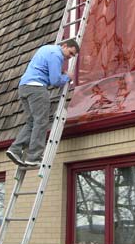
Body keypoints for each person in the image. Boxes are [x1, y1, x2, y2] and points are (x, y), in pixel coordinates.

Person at [6, 38, 80, 168]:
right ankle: (33, 157)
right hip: (37, 88)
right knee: (41, 122)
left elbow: (45, 68)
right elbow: (55, 81)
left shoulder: (46, 48)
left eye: (73, 55)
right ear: (64, 45)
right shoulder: (57, 55)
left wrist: (60, 72)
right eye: (71, 53)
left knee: (31, 122)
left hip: (24, 87)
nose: (70, 57)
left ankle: (15, 149)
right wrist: (68, 76)